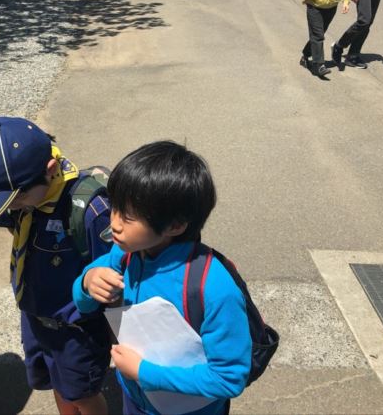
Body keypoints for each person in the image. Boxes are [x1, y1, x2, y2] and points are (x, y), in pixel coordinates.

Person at [73, 141, 252, 415]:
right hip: (134, 401)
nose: (115, 224)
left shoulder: (213, 287)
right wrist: (88, 282)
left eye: (129, 217)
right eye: (115, 208)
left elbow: (229, 378)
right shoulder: (124, 253)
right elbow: (83, 303)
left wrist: (144, 373)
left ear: (175, 225)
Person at [0, 117, 112, 415]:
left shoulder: (90, 211)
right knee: (56, 381)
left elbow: (116, 279)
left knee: (83, 394)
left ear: (50, 170)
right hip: (34, 314)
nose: (10, 209)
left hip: (76, 332)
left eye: (17, 198)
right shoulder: (25, 199)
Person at [300, 0, 352, 77]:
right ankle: (318, 65)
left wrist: (346, 0)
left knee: (317, 34)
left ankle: (305, 55)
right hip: (314, 6)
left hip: (331, 7)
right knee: (318, 35)